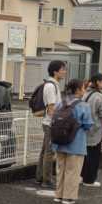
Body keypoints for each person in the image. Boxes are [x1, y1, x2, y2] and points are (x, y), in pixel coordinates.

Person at [51, 79, 95, 204]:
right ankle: (68, 197)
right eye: (84, 88)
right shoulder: (83, 105)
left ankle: (58, 195)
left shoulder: (61, 103)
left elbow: (53, 118)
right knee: (72, 171)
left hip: (59, 142)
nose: (85, 91)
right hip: (76, 142)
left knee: (61, 170)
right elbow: (88, 124)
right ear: (78, 90)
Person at [35, 61, 66, 190]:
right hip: (50, 124)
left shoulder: (53, 85)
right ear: (55, 71)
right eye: (62, 69)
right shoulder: (51, 87)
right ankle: (46, 180)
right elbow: (51, 109)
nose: (64, 72)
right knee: (49, 152)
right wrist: (57, 124)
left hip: (48, 123)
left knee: (45, 151)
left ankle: (40, 177)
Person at [81, 73, 102, 188]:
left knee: (83, 155)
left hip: (83, 129)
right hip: (95, 130)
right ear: (98, 82)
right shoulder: (99, 96)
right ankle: (89, 180)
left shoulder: (84, 94)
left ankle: (81, 176)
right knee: (93, 156)